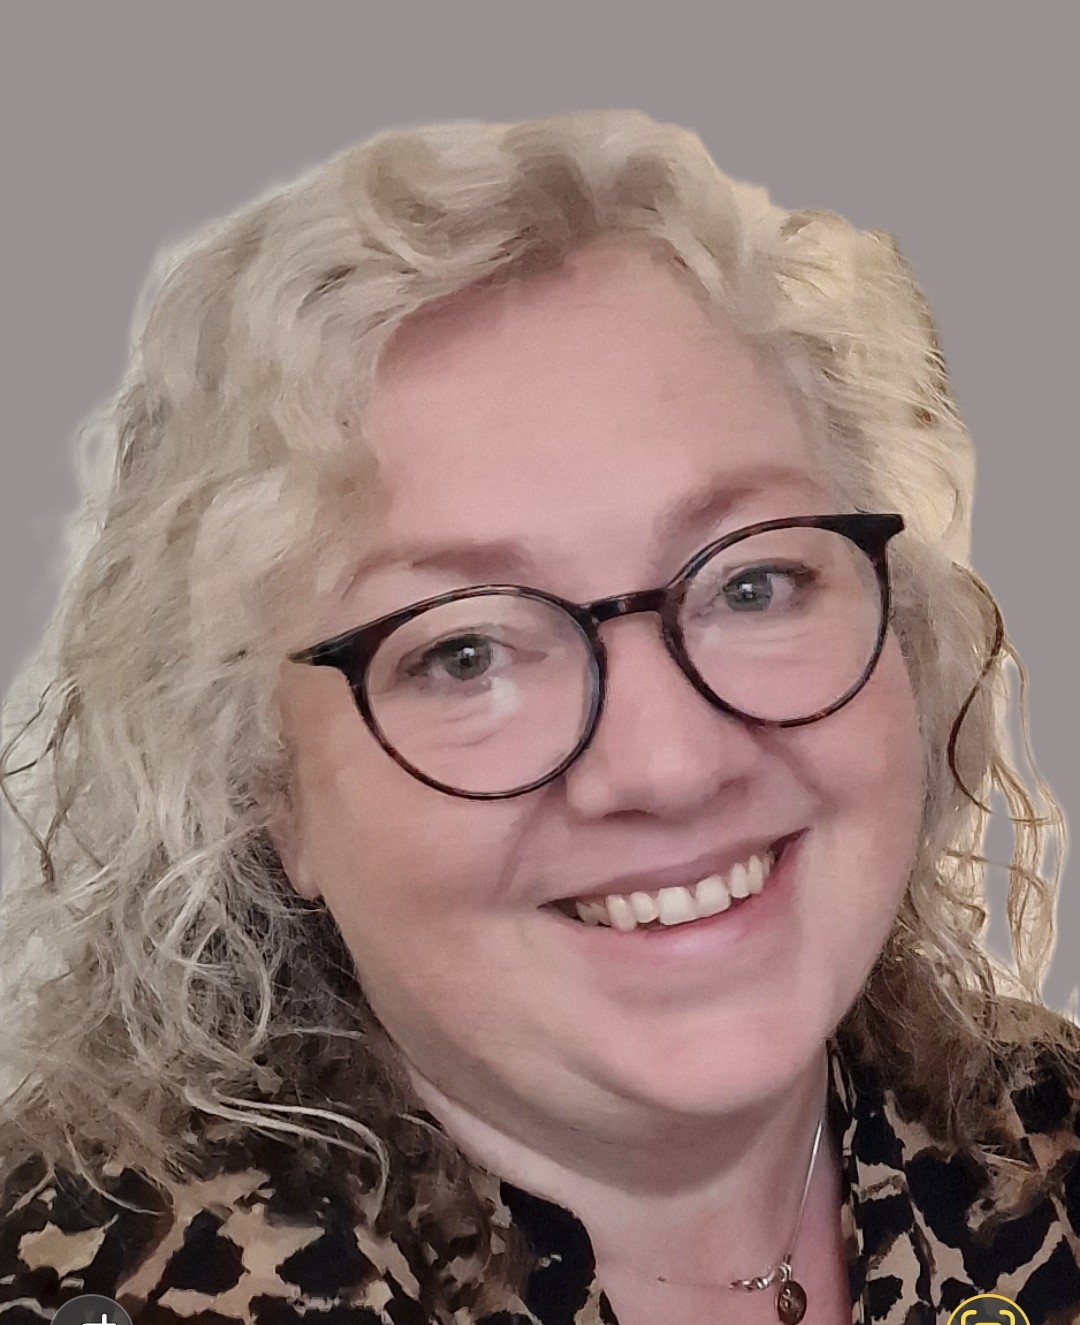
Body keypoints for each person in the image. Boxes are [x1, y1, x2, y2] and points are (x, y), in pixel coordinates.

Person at [0, 110, 1077, 1325]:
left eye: (752, 583)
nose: (669, 762)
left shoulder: (1049, 1145)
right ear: (267, 788)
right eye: (463, 652)